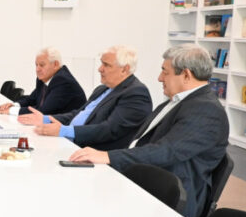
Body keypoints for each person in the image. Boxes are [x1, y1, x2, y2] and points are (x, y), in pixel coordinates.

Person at [70, 45, 229, 217]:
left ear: (186, 75)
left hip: (168, 198)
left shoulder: (206, 110)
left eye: (165, 72)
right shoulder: (178, 102)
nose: (160, 78)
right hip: (143, 180)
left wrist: (108, 157)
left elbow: (166, 151)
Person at [18, 45, 152, 150]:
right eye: (101, 63)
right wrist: (45, 119)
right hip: (71, 143)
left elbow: (109, 129)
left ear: (124, 69)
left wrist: (64, 130)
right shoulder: (102, 89)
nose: (99, 69)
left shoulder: (136, 93)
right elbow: (78, 114)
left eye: (106, 65)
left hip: (94, 154)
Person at [0, 47, 86, 116]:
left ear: (55, 64)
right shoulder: (44, 78)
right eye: (36, 65)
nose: (37, 69)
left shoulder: (63, 81)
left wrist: (11, 111)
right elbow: (31, 99)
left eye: (42, 65)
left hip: (69, 130)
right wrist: (14, 105)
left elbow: (43, 111)